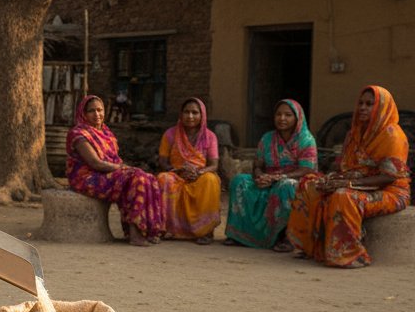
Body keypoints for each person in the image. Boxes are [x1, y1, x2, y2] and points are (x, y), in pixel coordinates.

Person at [286, 85, 410, 268]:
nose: (362, 108)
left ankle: (348, 254)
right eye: (360, 103)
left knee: (343, 196)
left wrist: (349, 183)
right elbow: (342, 164)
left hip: (390, 190)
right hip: (355, 181)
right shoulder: (353, 133)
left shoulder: (392, 136)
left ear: (382, 107)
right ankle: (309, 248)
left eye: (369, 104)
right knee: (309, 185)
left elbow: (389, 177)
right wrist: (331, 179)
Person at [66, 95, 165, 245]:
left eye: (100, 110)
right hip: (87, 177)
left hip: (106, 173)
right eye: (91, 111)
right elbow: (95, 163)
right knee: (136, 178)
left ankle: (148, 230)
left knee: (148, 178)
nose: (97, 114)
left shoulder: (107, 133)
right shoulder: (79, 134)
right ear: (83, 114)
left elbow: (114, 160)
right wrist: (124, 168)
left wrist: (124, 169)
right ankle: (134, 233)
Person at [225, 99, 318, 250]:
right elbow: (258, 164)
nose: (282, 118)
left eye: (288, 115)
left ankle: (286, 237)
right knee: (239, 181)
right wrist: (259, 175)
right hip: (268, 179)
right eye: (278, 114)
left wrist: (279, 177)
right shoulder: (267, 138)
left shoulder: (306, 140)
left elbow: (307, 169)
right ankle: (240, 235)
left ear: (297, 118)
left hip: (294, 180)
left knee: (286, 186)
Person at [156, 97, 222, 243]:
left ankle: (205, 231)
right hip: (177, 173)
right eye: (186, 112)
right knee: (163, 179)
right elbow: (162, 161)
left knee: (211, 180)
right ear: (181, 114)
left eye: (194, 112)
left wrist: (198, 172)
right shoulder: (170, 134)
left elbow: (214, 165)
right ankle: (169, 229)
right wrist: (177, 170)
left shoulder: (210, 137)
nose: (190, 116)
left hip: (200, 174)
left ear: (202, 115)